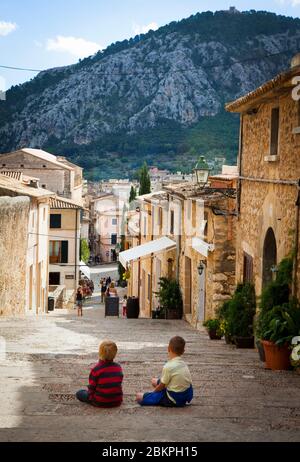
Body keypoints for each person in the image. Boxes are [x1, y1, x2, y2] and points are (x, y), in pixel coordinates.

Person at [136, 336, 193, 407]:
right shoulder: (184, 365)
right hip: (184, 396)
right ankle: (160, 393)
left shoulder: (168, 366)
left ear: (168, 348)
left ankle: (158, 397)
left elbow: (162, 386)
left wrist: (152, 393)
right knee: (154, 381)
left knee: (139, 396)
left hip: (173, 399)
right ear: (183, 351)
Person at [76, 340, 123, 408]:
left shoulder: (96, 369)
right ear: (115, 353)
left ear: (100, 353)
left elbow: (92, 388)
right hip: (117, 401)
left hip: (100, 401)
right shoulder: (118, 367)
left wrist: (90, 397)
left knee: (79, 393)